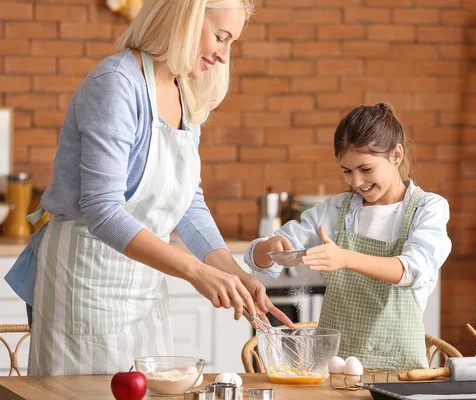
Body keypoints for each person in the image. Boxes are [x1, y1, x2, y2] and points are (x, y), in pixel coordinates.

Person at [4, 0, 293, 376]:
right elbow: (102, 211)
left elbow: (188, 201)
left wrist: (232, 270)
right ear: (186, 20)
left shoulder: (186, 94)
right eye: (220, 38)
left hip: (143, 294)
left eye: (231, 43)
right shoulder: (116, 85)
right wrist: (195, 272)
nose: (223, 56)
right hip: (86, 286)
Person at [244, 103, 452, 371]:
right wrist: (270, 247)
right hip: (332, 369)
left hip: (399, 372)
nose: (355, 182)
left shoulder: (427, 208)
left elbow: (414, 270)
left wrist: (344, 258)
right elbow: (255, 257)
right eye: (347, 170)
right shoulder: (336, 210)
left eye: (365, 169)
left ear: (396, 155)